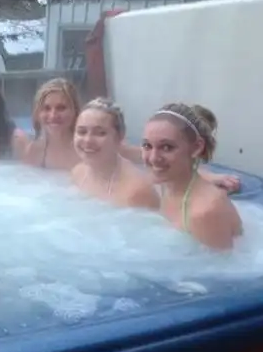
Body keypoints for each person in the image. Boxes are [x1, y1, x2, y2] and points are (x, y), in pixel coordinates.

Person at [141, 103, 242, 250]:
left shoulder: (205, 212)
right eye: (147, 146)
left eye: (167, 147)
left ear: (196, 147)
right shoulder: (163, 185)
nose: (153, 158)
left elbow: (223, 263)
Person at [72, 98, 159, 209]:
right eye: (81, 132)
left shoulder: (137, 191)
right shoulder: (78, 173)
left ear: (119, 136)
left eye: (100, 133)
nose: (88, 140)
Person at [24, 78, 82, 170]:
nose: (53, 115)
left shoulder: (86, 151)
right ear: (38, 113)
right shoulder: (34, 151)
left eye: (61, 108)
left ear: (75, 111)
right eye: (46, 108)